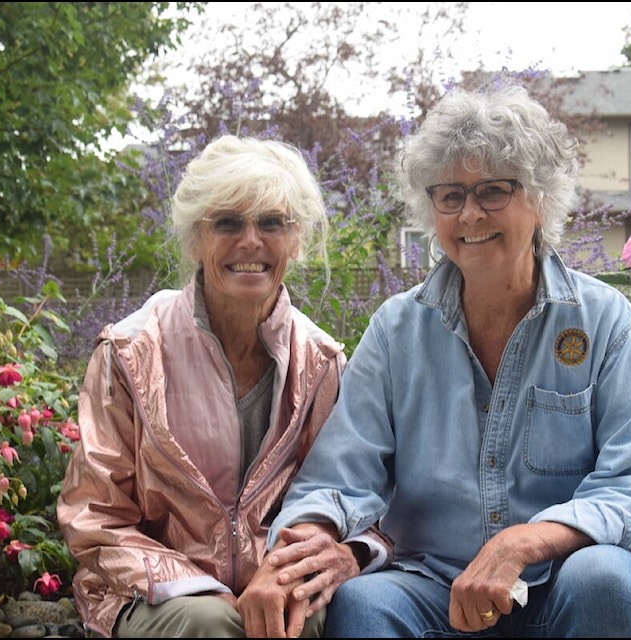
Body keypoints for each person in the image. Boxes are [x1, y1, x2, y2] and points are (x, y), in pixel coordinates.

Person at [247, 83, 631, 637]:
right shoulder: (396, 331)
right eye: (450, 195)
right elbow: (340, 475)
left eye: (493, 190)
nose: (470, 213)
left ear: (541, 199)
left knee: (606, 577)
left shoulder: (608, 324)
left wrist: (526, 540)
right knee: (364, 605)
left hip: (561, 581)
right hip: (433, 586)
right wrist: (297, 552)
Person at [56, 135, 392, 638]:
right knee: (213, 624)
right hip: (148, 594)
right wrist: (200, 587)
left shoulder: (321, 362)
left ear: (295, 240)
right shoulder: (130, 353)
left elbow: (352, 497)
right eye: (228, 223)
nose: (251, 241)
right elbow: (94, 514)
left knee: (306, 611)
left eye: (271, 223)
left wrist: (286, 576)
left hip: (272, 586)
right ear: (196, 238)